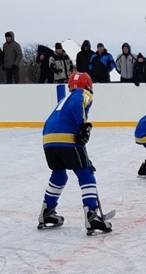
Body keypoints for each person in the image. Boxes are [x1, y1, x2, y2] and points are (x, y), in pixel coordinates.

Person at [39, 72, 112, 235]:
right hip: (66, 138)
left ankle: (47, 212)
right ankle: (92, 214)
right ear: (88, 85)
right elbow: (77, 106)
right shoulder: (82, 94)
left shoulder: (65, 99)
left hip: (48, 140)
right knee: (85, 175)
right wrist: (82, 126)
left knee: (59, 175)